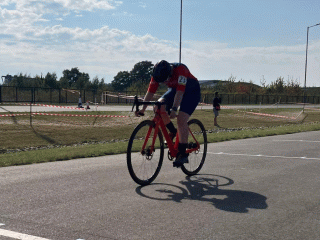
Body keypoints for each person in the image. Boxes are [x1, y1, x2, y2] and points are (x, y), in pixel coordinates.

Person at [135, 60, 201, 168]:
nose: (163, 83)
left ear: (169, 73)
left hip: (191, 91)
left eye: (165, 80)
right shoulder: (157, 74)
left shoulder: (181, 70)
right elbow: (150, 92)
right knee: (158, 106)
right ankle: (173, 131)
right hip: (175, 89)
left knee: (181, 120)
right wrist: (143, 109)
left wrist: (174, 109)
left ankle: (183, 153)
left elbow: (180, 93)